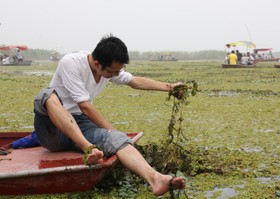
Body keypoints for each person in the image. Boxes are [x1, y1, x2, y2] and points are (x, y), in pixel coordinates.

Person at [33, 35, 185, 196]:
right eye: (113, 72)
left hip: (80, 125)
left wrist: (169, 87)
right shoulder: (71, 62)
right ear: (98, 64)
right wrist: (111, 130)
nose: (116, 75)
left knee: (118, 139)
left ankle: (156, 179)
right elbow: (84, 106)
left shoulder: (109, 69)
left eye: (118, 71)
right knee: (47, 95)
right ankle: (89, 149)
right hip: (51, 129)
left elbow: (134, 81)